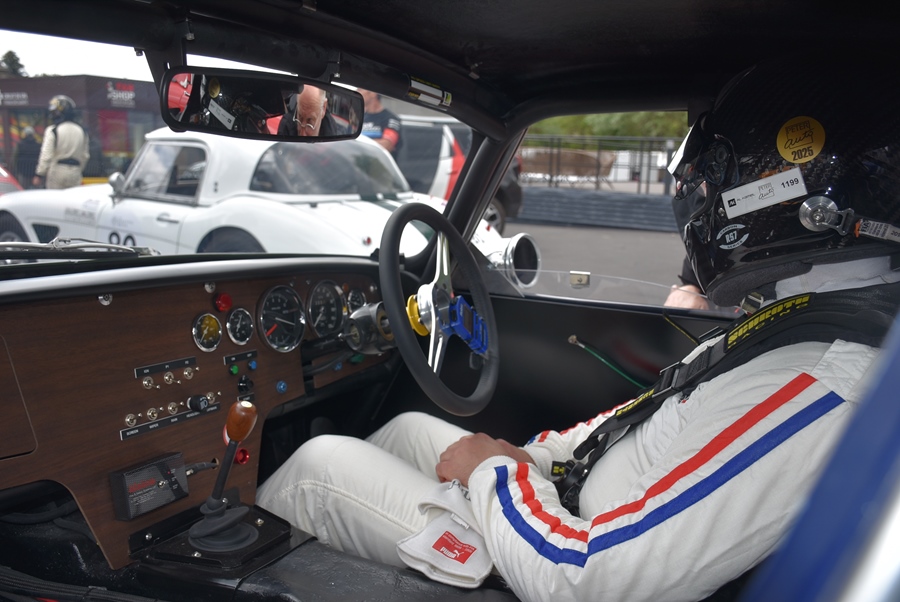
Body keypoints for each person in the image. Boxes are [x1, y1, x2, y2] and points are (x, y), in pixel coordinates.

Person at [257, 60, 900, 601]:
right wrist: (532, 461)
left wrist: (499, 476)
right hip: (562, 511)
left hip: (552, 562)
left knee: (316, 464)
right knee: (404, 429)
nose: (700, 196)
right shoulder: (796, 324)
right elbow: (644, 421)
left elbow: (594, 580)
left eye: (718, 178)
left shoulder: (822, 386)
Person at [33, 95, 89, 190]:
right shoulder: (82, 131)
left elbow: (46, 155)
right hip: (75, 171)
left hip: (57, 171)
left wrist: (39, 174)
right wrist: (78, 169)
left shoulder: (53, 130)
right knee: (73, 199)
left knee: (55, 198)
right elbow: (85, 156)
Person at [278, 85, 345, 137]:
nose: (302, 134)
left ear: (323, 108)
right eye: (299, 119)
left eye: (309, 123)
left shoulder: (334, 136)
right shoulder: (286, 126)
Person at [358, 89, 401, 155]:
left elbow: (386, 145)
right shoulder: (359, 117)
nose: (357, 92)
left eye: (360, 89)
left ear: (373, 93)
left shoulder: (391, 119)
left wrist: (358, 144)